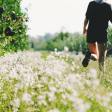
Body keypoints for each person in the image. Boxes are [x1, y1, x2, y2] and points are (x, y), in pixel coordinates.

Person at [82, 0, 112, 72]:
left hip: (91, 33)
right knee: (101, 57)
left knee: (94, 53)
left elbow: (86, 19)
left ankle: (89, 56)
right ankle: (102, 74)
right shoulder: (107, 6)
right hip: (102, 33)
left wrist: (84, 29)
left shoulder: (91, 4)